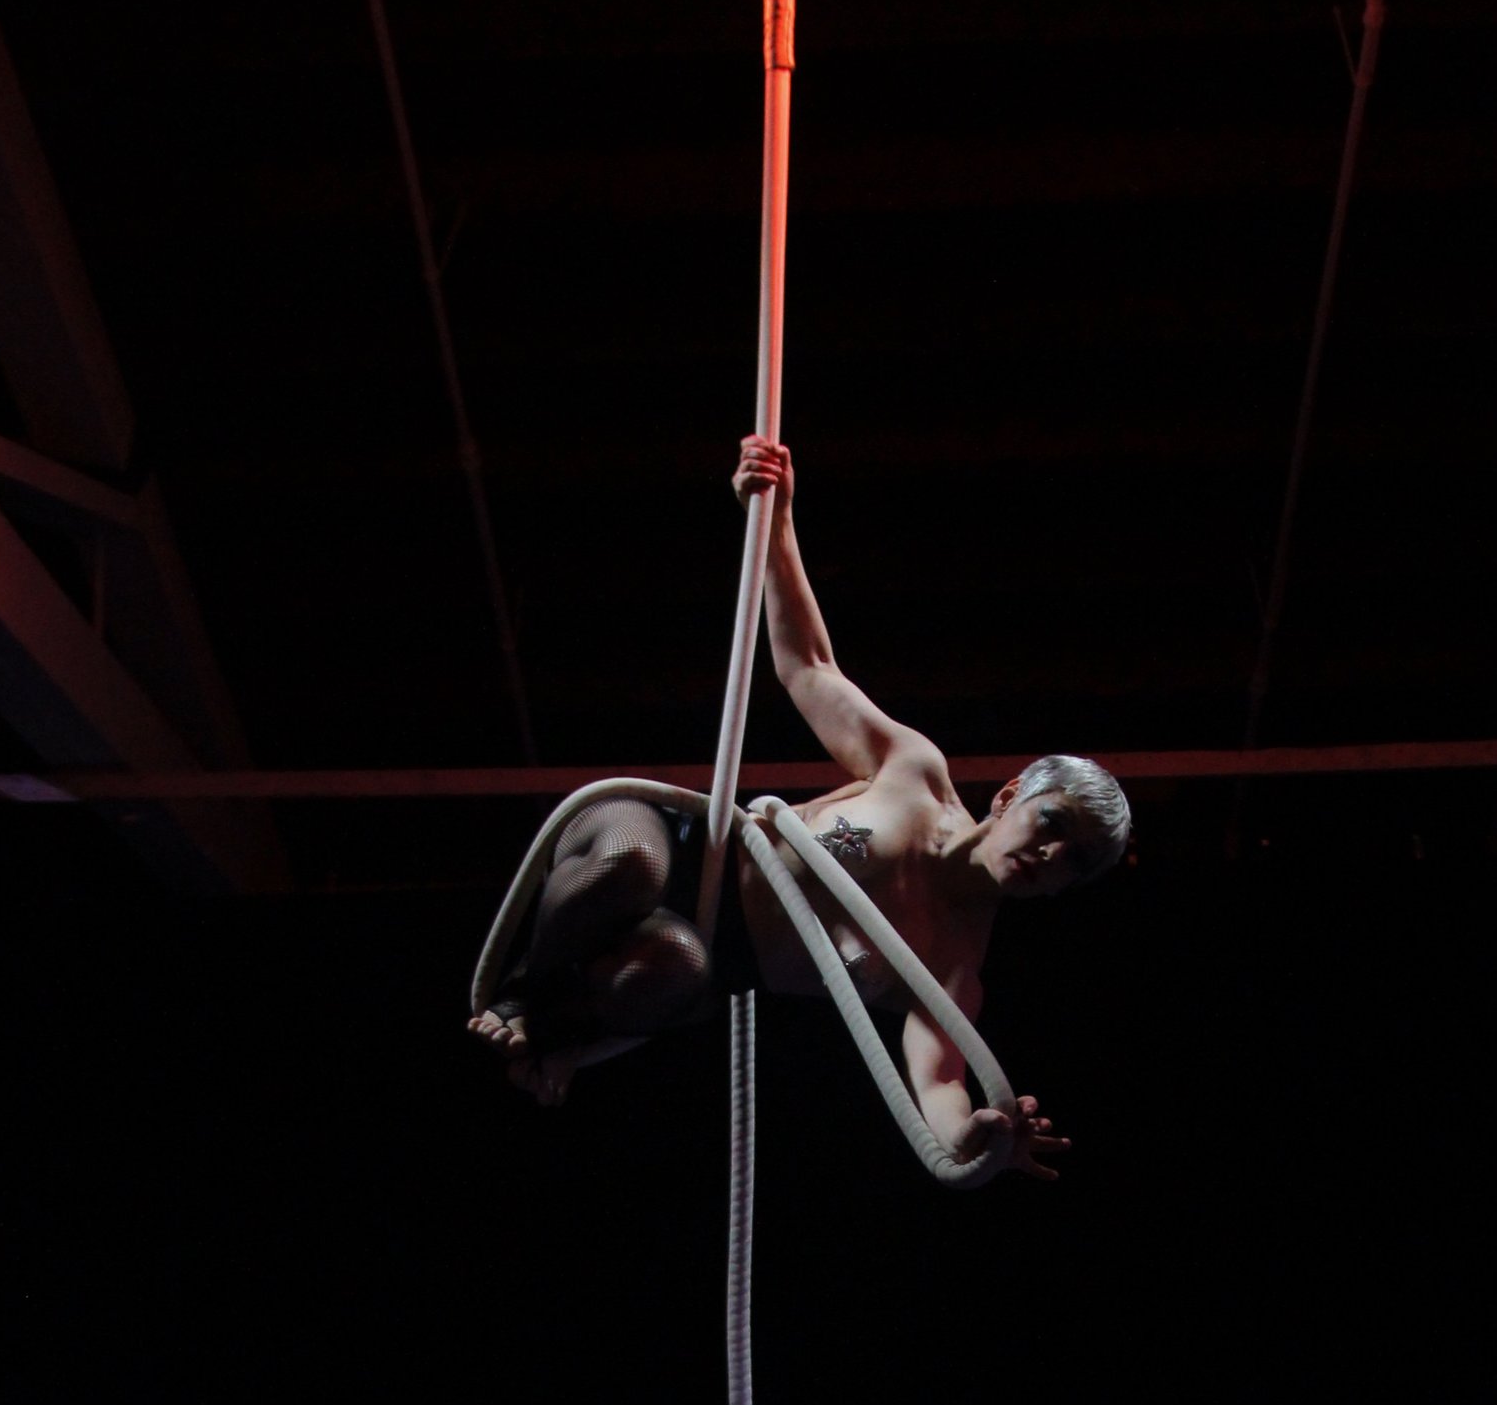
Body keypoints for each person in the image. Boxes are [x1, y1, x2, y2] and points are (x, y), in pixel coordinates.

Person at [468, 435, 1130, 1178]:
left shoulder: (952, 966)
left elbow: (937, 1081)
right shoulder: (913, 772)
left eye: (1072, 866)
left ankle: (551, 1033)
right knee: (627, 864)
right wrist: (776, 516)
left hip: (699, 955)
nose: (1049, 858)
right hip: (689, 844)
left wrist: (978, 1136)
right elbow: (808, 665)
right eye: (1053, 827)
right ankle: (528, 998)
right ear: (1012, 795)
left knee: (671, 969)